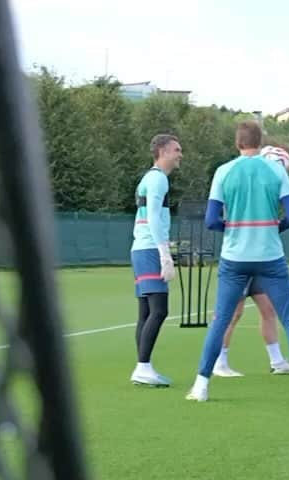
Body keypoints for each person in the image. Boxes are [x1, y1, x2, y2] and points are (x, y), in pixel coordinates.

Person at [186, 121, 289, 404]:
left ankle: (200, 386)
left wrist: (233, 229)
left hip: (234, 258)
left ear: (237, 143)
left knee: (219, 321)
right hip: (270, 258)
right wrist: (272, 228)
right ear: (261, 141)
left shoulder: (223, 172)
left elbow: (210, 220)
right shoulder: (276, 169)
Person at [213, 145, 289, 378]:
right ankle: (219, 362)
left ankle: (277, 361)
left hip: (261, 257)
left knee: (268, 310)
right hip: (241, 257)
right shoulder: (239, 178)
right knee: (232, 313)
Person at [129, 134, 182, 387]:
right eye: (176, 149)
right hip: (149, 248)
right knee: (159, 310)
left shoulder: (150, 178)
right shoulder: (158, 179)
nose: (180, 154)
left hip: (140, 248)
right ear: (162, 151)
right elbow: (153, 216)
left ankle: (143, 367)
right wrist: (164, 254)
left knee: (146, 312)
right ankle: (142, 366)